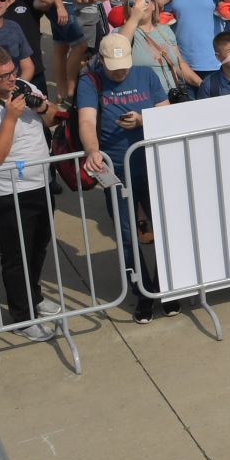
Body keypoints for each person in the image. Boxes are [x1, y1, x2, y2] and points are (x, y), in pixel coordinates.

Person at [0, 47, 61, 340]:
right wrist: (11, 118)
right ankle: (22, 317)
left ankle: (35, 298)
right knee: (16, 256)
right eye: (3, 77)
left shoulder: (24, 87)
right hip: (7, 191)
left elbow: (54, 119)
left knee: (39, 245)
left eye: (13, 73)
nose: (11, 81)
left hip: (41, 182)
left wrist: (42, 108)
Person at [76, 31, 171, 322]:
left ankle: (167, 288)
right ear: (102, 62)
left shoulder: (146, 76)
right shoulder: (89, 82)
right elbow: (87, 120)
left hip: (153, 164)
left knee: (166, 227)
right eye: (115, 68)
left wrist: (143, 120)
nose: (121, 72)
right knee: (128, 233)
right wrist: (92, 151)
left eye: (125, 66)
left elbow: (164, 113)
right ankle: (143, 291)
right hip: (116, 168)